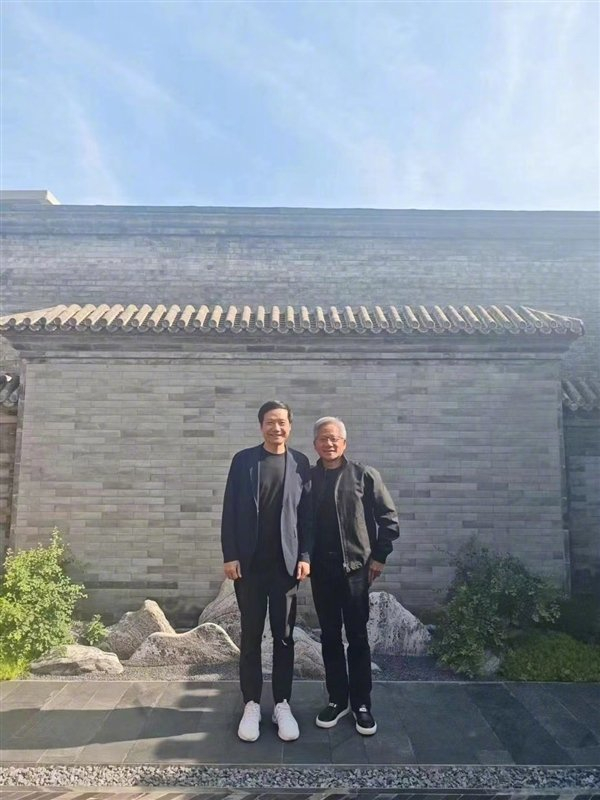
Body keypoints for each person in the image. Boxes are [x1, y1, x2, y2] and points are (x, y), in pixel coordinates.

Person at [221, 400, 312, 742]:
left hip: (286, 568)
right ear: (261, 425)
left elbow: (307, 517)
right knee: (250, 636)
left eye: (282, 422)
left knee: (284, 636)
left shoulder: (301, 463)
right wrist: (230, 554)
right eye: (270, 422)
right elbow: (230, 510)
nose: (277, 428)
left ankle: (282, 704)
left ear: (290, 426)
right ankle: (252, 704)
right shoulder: (244, 461)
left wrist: (305, 555)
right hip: (250, 567)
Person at [310, 416, 399, 736]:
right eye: (323, 438)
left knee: (358, 638)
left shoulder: (364, 475)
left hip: (355, 571)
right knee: (330, 637)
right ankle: (337, 699)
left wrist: (379, 557)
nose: (329, 443)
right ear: (315, 444)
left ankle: (361, 703)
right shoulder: (309, 479)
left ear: (344, 443)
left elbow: (388, 519)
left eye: (334, 438)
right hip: (321, 572)